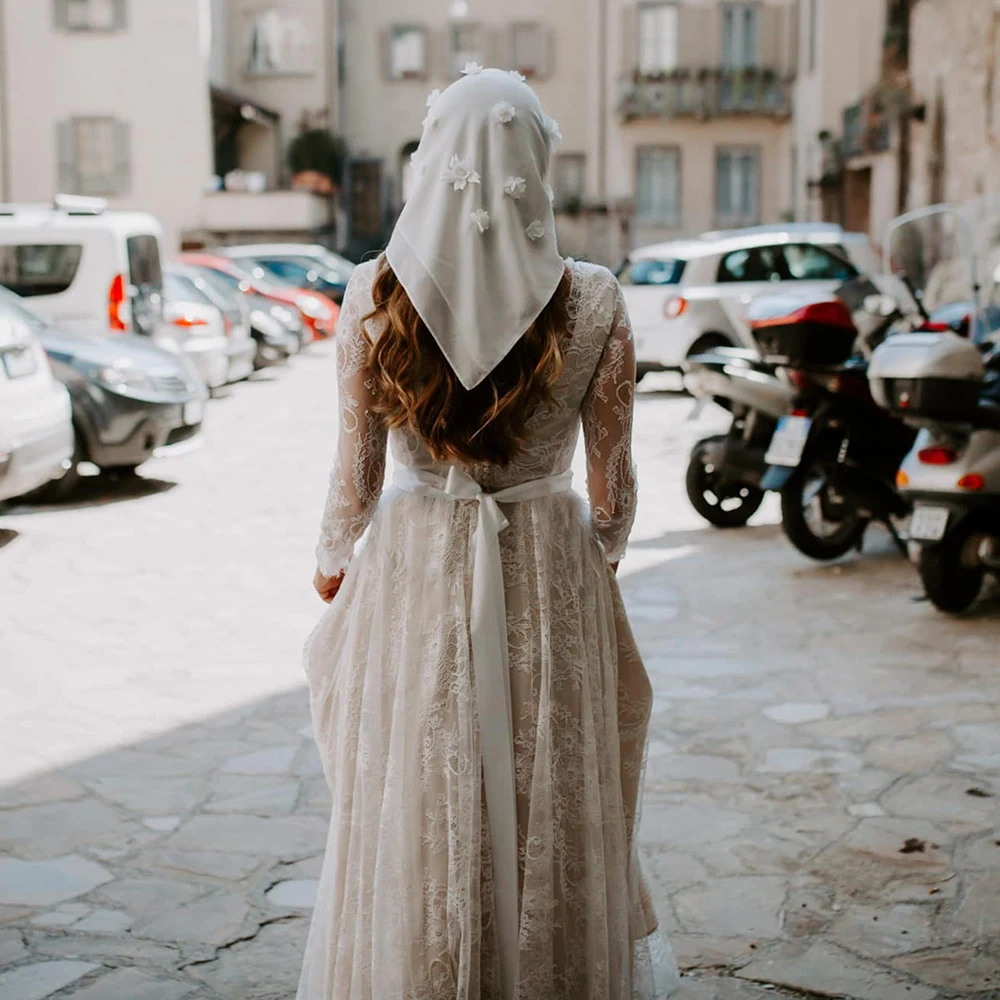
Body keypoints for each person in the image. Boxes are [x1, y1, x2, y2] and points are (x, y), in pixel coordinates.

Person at [298, 66, 680, 1000]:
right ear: (532, 163)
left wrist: (331, 565)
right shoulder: (595, 300)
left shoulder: (372, 294)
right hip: (549, 567)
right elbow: (616, 488)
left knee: (427, 791)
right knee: (544, 787)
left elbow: (356, 478)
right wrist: (597, 561)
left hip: (416, 567)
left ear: (434, 163)